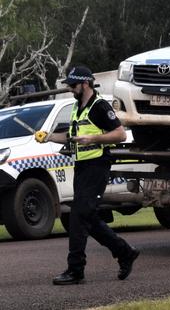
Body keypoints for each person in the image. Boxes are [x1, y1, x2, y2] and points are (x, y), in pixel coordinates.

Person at [35, 65, 139, 285]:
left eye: (73, 85)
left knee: (78, 216)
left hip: (97, 166)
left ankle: (75, 269)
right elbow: (73, 137)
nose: (71, 89)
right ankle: (124, 252)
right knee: (87, 217)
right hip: (82, 167)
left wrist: (93, 140)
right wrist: (49, 137)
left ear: (85, 83)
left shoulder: (100, 107)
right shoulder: (77, 107)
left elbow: (120, 134)